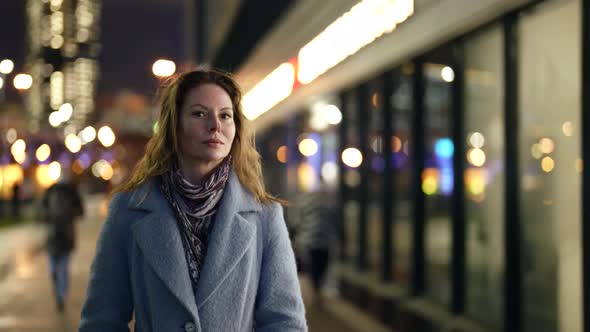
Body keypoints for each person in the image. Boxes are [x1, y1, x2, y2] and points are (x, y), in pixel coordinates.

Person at [80, 68, 307, 331]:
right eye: (199, 114)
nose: (215, 125)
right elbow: (101, 320)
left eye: (225, 115)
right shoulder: (130, 210)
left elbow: (285, 322)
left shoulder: (265, 216)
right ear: (174, 125)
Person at [41, 175, 84, 312]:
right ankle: (60, 293)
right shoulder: (52, 193)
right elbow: (42, 212)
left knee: (60, 268)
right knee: (58, 269)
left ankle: (61, 295)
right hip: (57, 236)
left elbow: (80, 211)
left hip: (62, 236)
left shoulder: (67, 194)